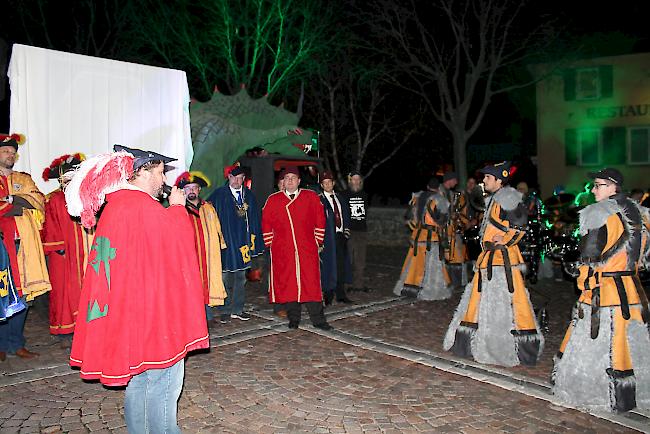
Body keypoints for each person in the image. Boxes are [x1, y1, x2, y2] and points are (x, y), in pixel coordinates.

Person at [66, 145, 209, 433]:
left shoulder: (117, 206)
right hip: (153, 319)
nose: (163, 181)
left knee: (140, 381)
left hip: (132, 315)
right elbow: (177, 249)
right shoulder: (143, 207)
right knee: (164, 384)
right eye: (159, 173)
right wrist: (179, 209)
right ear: (142, 173)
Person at [552, 168, 650, 412]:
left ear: (612, 187)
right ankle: (631, 396)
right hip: (631, 288)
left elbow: (590, 256)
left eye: (598, 185)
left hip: (604, 289)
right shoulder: (641, 214)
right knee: (630, 345)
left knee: (599, 345)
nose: (593, 190)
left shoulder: (598, 213)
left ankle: (597, 392)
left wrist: (580, 278)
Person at [444, 161, 544, 367]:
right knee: (480, 302)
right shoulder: (495, 198)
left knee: (507, 305)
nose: (484, 180)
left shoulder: (508, 197)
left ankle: (505, 346)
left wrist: (504, 242)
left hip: (502, 261)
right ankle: (473, 343)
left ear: (499, 180)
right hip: (490, 259)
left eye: (488, 178)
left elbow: (520, 227)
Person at [262, 166, 332, 330]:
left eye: (293, 178)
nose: (290, 181)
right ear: (282, 182)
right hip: (283, 251)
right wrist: (271, 243)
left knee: (311, 285)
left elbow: (320, 218)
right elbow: (266, 223)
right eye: (287, 178)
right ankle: (294, 318)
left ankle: (319, 320)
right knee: (289, 285)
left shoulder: (311, 197)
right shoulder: (273, 200)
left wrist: (317, 240)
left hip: (306, 249)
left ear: (299, 181)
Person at [0, 135, 50, 361]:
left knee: (22, 292)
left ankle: (16, 343)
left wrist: (12, 199)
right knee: (3, 291)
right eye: (5, 152)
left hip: (24, 243)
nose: (10, 155)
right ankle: (1, 345)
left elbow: (38, 199)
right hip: (2, 243)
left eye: (12, 152)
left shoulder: (23, 178)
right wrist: (19, 204)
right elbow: (16, 205)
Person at [41, 153, 93, 338]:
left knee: (86, 285)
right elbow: (50, 224)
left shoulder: (87, 195)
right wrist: (59, 247)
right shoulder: (54, 198)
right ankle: (66, 328)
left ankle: (87, 324)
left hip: (85, 248)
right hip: (64, 252)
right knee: (64, 289)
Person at [207, 165, 264, 323]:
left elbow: (255, 219)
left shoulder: (249, 196)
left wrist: (253, 242)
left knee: (241, 278)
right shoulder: (219, 195)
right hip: (226, 244)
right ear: (229, 178)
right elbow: (208, 214)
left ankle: (237, 309)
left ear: (244, 179)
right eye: (234, 177)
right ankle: (225, 309)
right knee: (225, 277)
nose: (237, 181)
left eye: (240, 178)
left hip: (243, 245)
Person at [175, 171, 227, 320]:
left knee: (207, 283)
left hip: (208, 256)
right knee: (189, 286)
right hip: (189, 257)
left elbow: (217, 229)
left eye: (194, 188)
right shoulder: (179, 210)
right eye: (188, 188)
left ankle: (206, 314)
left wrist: (220, 245)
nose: (191, 191)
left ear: (199, 190)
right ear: (183, 191)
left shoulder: (208, 208)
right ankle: (190, 317)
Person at [393, 177, 451, 300]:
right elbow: (443, 221)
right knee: (431, 266)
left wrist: (414, 227)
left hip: (417, 236)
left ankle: (409, 289)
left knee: (414, 265)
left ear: (427, 186)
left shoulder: (416, 198)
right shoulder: (440, 200)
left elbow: (407, 217)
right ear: (438, 187)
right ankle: (429, 291)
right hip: (432, 237)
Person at [318, 170, 351, 305]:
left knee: (341, 265)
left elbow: (345, 215)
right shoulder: (319, 200)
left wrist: (346, 230)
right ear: (322, 185)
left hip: (340, 236)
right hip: (327, 238)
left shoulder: (340, 198)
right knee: (328, 266)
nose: (327, 185)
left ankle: (341, 294)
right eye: (324, 183)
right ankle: (328, 294)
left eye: (329, 182)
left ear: (333, 183)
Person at [342, 171, 369, 293]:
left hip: (362, 230)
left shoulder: (364, 195)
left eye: (358, 179)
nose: (356, 182)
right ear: (349, 181)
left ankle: (359, 284)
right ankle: (346, 284)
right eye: (354, 179)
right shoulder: (343, 195)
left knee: (360, 259)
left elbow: (365, 213)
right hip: (349, 230)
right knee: (348, 258)